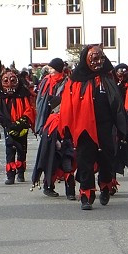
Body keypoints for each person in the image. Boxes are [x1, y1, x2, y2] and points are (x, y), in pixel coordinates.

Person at [59, 44, 127, 209]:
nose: (99, 62)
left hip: (105, 126)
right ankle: (86, 194)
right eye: (95, 58)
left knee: (106, 160)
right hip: (83, 128)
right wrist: (66, 128)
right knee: (85, 162)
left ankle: (105, 186)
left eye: (102, 58)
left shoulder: (107, 79)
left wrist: (122, 126)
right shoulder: (75, 81)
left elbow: (117, 103)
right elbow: (67, 105)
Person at [30, 57, 75, 199]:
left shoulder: (68, 82)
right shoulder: (46, 81)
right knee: (50, 156)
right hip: (50, 124)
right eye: (50, 68)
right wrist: (41, 125)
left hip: (65, 122)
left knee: (68, 154)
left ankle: (70, 191)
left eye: (53, 69)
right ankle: (48, 185)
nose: (50, 71)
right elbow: (41, 104)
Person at [0, 68, 36, 184]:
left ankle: (20, 172)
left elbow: (29, 109)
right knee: (10, 149)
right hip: (8, 126)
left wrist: (22, 121)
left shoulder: (23, 94)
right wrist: (8, 124)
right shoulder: (1, 96)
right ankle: (10, 175)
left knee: (22, 149)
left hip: (22, 125)